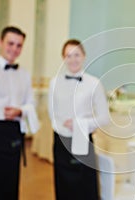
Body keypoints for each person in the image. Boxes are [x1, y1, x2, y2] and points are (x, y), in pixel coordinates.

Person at [0, 26, 39, 200]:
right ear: (0, 42)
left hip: (14, 133)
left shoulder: (25, 75)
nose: (14, 49)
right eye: (10, 43)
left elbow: (31, 102)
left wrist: (20, 111)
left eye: (19, 45)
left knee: (10, 182)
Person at [48, 39, 110, 200]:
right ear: (63, 58)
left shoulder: (94, 83)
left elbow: (104, 117)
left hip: (83, 139)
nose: (73, 59)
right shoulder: (54, 83)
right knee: (63, 186)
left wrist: (81, 124)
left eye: (76, 54)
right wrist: (62, 129)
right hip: (61, 142)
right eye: (68, 55)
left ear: (83, 56)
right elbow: (52, 114)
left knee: (85, 187)